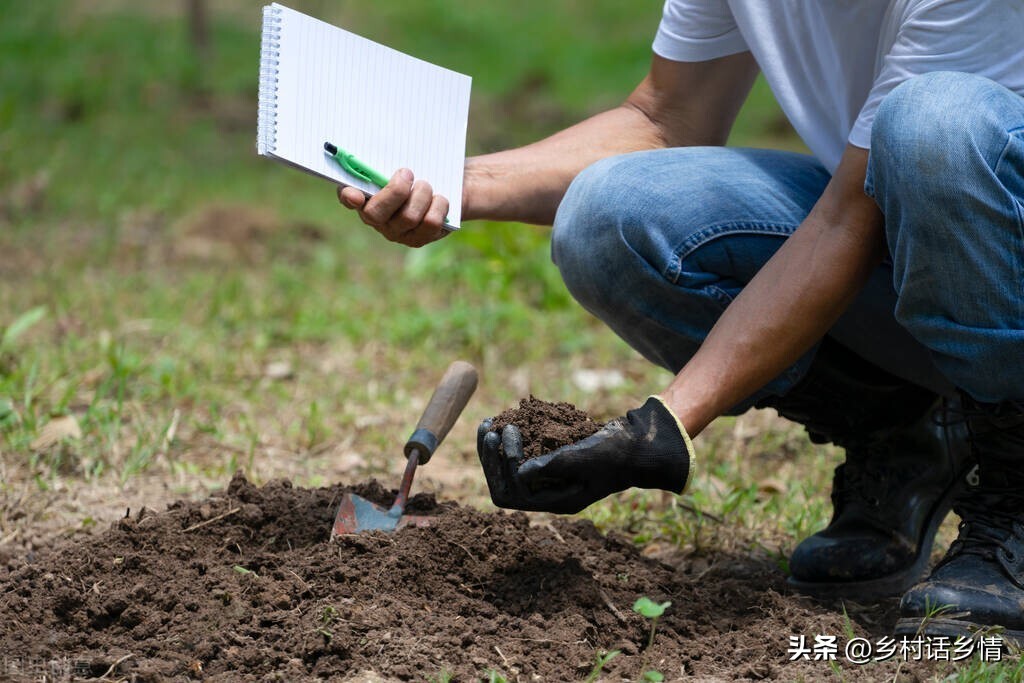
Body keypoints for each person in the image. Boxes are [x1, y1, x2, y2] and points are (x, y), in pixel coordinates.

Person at [337, 1, 1024, 641]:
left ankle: (1015, 491)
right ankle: (906, 430)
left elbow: (851, 219)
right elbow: (666, 119)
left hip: (995, 244)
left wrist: (667, 423)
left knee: (935, 126)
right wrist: (457, 183)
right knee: (609, 217)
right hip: (895, 219)